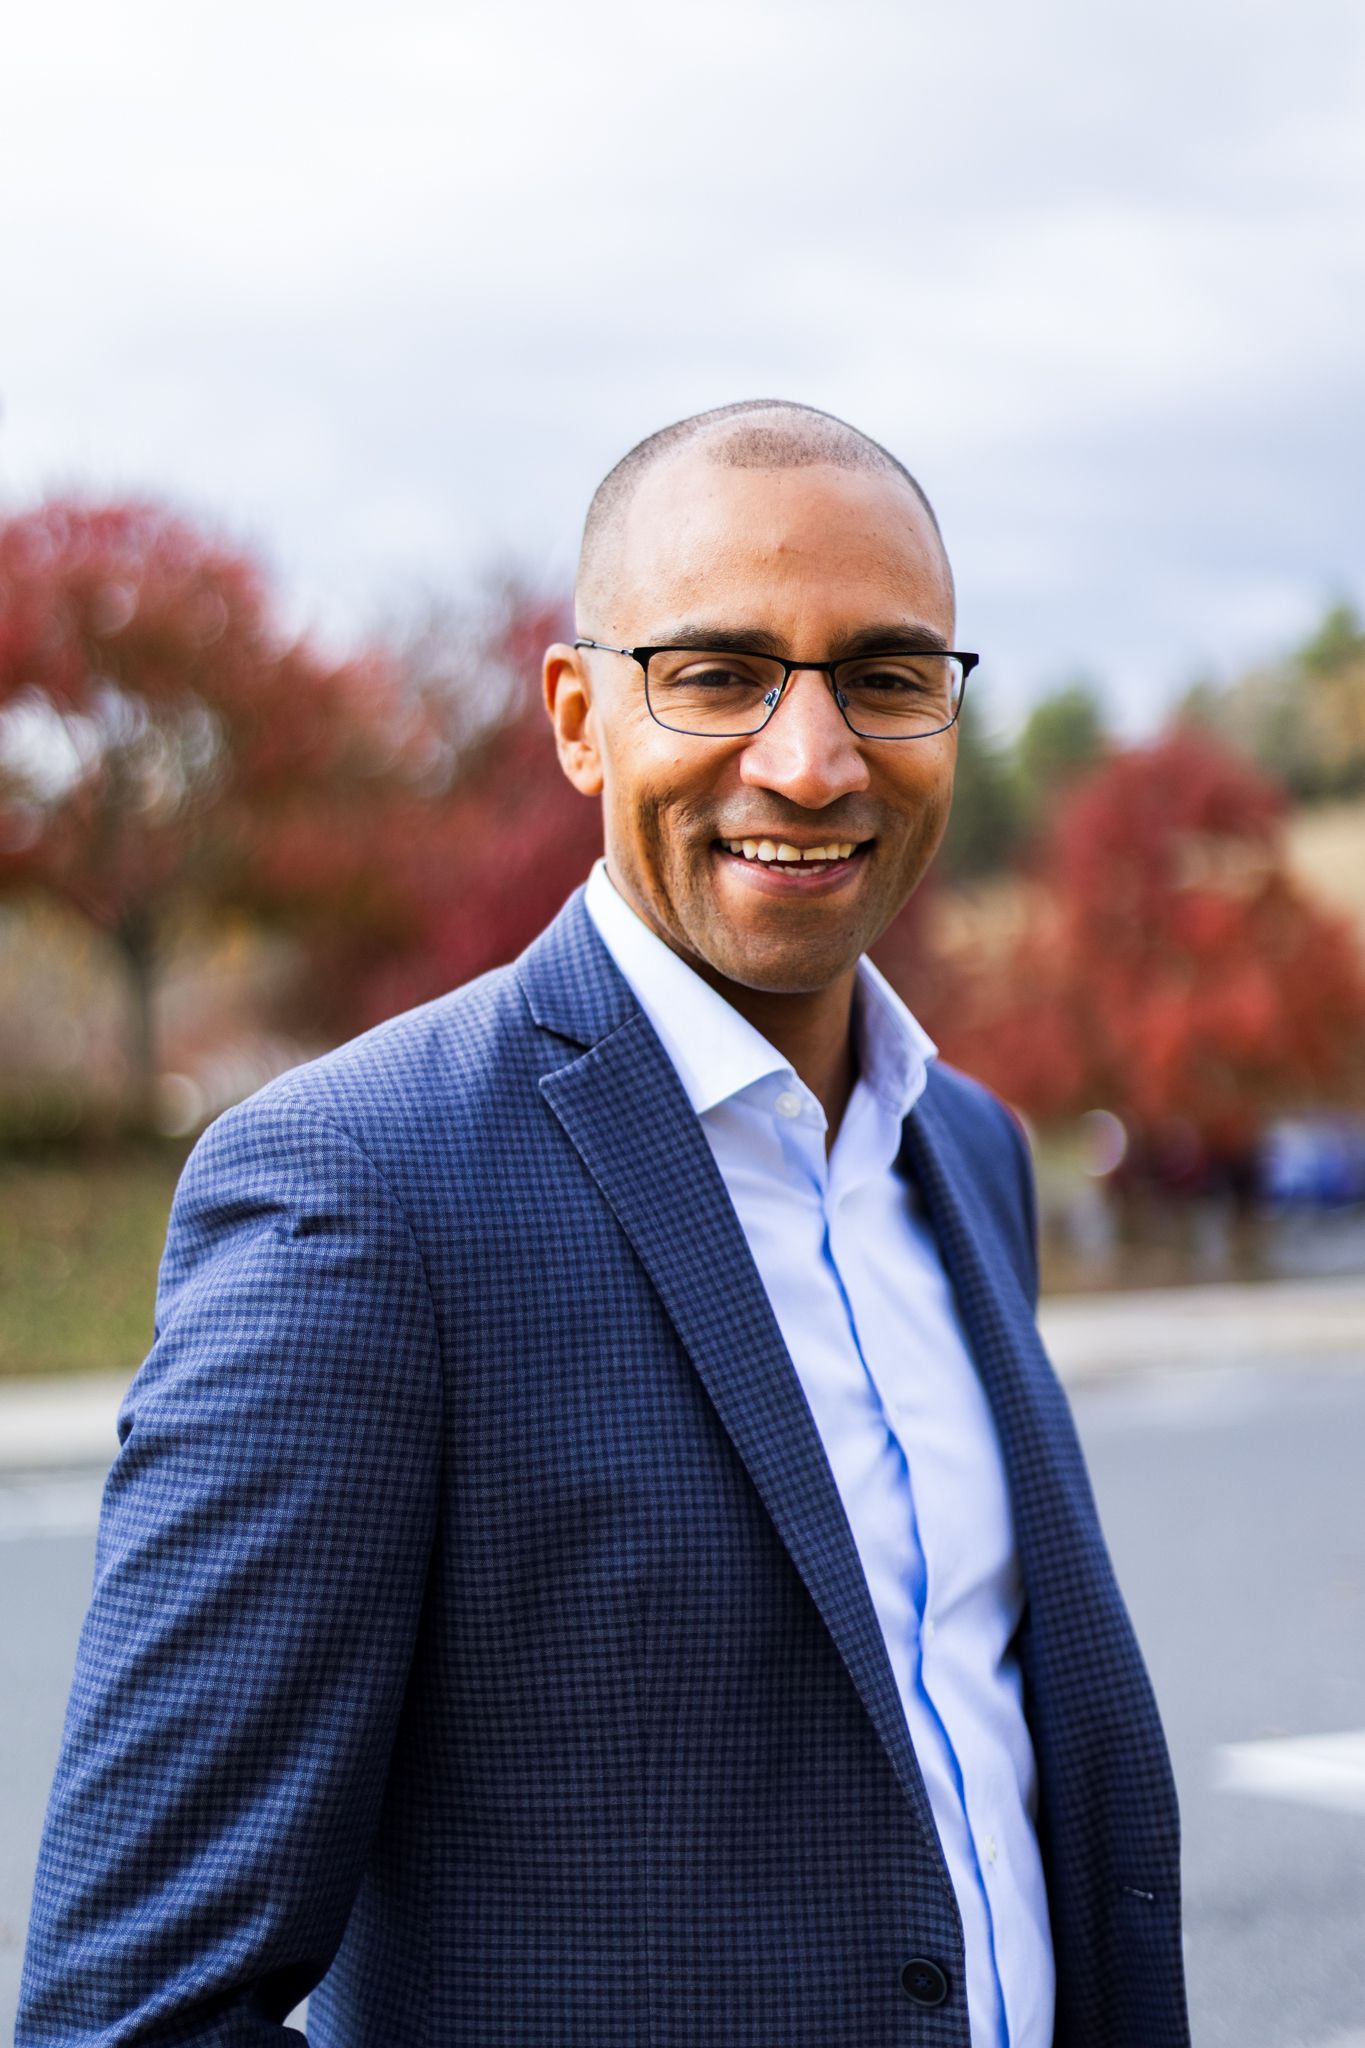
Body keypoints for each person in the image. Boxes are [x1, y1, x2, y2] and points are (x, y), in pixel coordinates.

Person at [18, 399, 1189, 2048]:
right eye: (716, 674)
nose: (810, 757)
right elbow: (132, 2011)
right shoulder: (358, 1192)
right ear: (581, 718)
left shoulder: (967, 1151)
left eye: (884, 674)